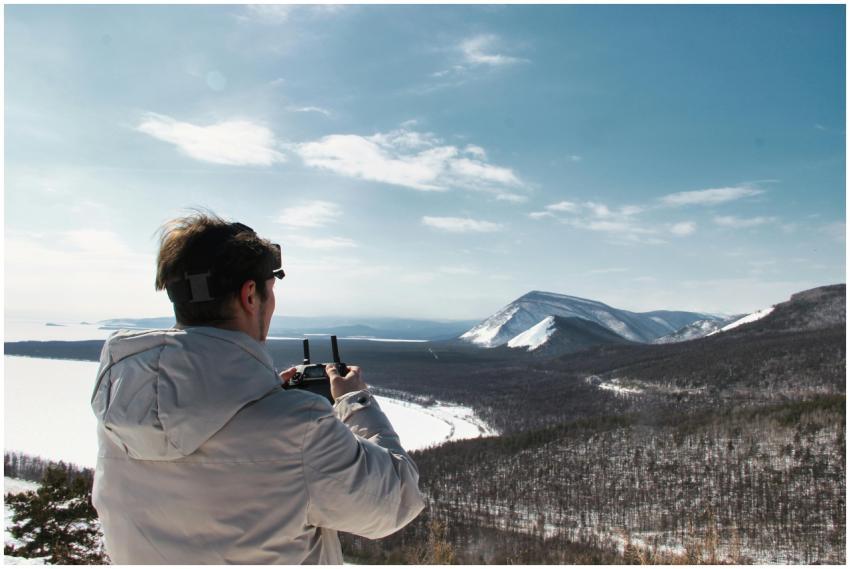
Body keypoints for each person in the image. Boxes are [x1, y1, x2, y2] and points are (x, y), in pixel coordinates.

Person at [90, 212, 425, 564]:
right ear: (251, 295)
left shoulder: (120, 411)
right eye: (271, 287)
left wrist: (259, 395)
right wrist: (355, 401)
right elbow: (398, 501)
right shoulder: (298, 428)